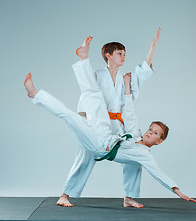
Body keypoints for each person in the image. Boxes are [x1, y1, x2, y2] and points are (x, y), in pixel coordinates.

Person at [23, 58, 196, 205]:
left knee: (70, 117)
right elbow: (129, 111)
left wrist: (177, 191)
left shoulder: (145, 155)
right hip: (104, 132)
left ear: (159, 141)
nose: (150, 132)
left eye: (155, 133)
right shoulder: (135, 133)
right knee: (87, 104)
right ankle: (39, 92)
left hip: (100, 145)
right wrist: (127, 86)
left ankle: (129, 197)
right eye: (151, 129)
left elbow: (158, 173)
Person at [60, 30, 160, 208]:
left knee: (135, 156)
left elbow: (143, 71)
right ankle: (65, 195)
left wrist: (152, 47)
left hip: (119, 127)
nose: (123, 57)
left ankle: (129, 197)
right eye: (119, 53)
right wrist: (84, 122)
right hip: (98, 125)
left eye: (124, 54)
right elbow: (87, 94)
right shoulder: (98, 75)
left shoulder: (125, 79)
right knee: (85, 155)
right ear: (108, 55)